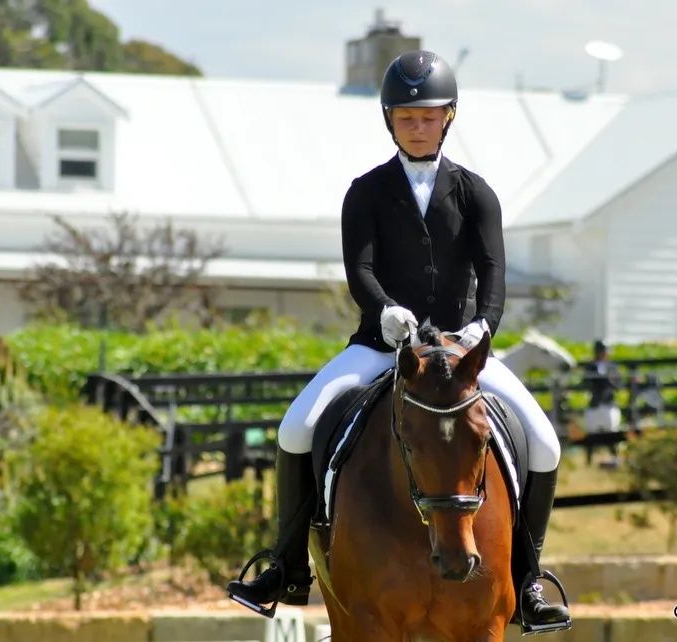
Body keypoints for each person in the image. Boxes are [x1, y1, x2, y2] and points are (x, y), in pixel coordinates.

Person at [226, 49, 570, 631]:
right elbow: (359, 269)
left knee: (544, 443)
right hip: (381, 346)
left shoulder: (476, 192)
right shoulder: (366, 191)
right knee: (295, 429)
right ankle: (285, 567)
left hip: (460, 354)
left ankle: (529, 578)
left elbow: (494, 269)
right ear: (389, 119)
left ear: (448, 117)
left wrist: (484, 324)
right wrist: (385, 310)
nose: (418, 126)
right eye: (407, 117)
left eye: (428, 116)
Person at [582, 339, 622, 465]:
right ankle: (589, 461)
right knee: (591, 433)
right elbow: (585, 383)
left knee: (611, 432)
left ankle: (615, 458)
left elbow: (619, 385)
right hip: (594, 403)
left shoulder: (612, 367)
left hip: (608, 403)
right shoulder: (590, 367)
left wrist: (609, 379)